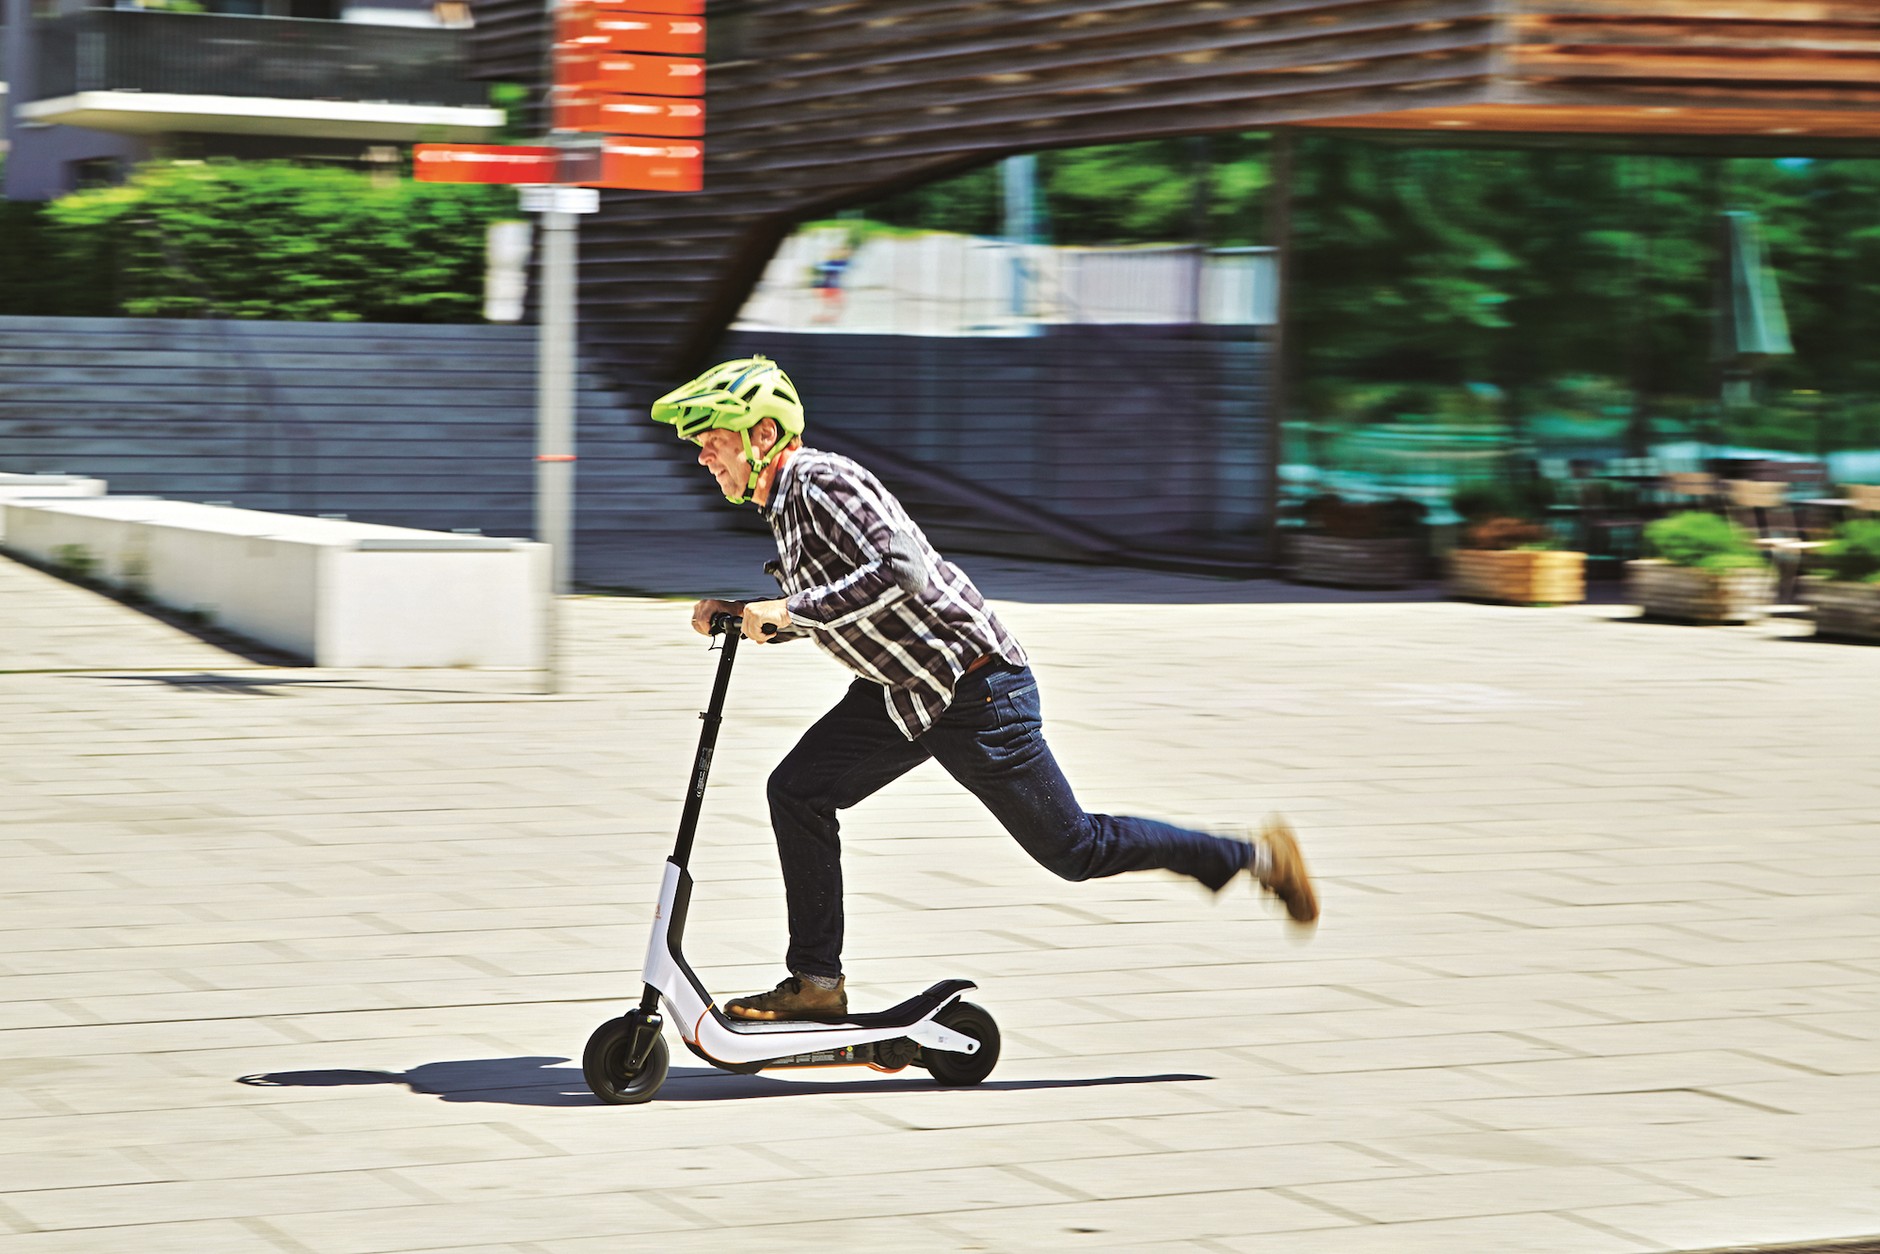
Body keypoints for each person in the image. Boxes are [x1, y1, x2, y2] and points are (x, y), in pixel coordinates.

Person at [651, 356, 1318, 1021]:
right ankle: (818, 983)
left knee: (1076, 849)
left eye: (714, 443)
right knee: (797, 790)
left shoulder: (821, 482)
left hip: (975, 688)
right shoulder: (786, 507)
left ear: (762, 435)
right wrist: (750, 613)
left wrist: (792, 612)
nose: (707, 460)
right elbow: (848, 603)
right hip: (907, 688)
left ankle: (1255, 858)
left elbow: (901, 569)